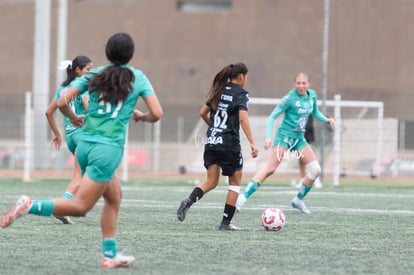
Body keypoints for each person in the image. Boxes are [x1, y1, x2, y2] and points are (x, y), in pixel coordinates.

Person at [0, 32, 163, 268]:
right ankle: (29, 206)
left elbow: (62, 100)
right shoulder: (137, 77)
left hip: (85, 144)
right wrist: (141, 116)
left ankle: (110, 255)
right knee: (80, 207)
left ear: (107, 52)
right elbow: (157, 114)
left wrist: (74, 118)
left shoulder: (95, 73)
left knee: (114, 197)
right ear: (131, 53)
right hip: (106, 149)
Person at [236, 73, 335, 214]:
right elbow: (272, 116)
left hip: (299, 139)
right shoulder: (289, 99)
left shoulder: (312, 95)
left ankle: (298, 200)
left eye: (304, 83)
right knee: (270, 169)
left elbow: (315, 112)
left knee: (315, 169)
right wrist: (268, 137)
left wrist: (327, 119)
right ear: (294, 84)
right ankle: (242, 198)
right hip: (284, 138)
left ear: (308, 84)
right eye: (298, 83)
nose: (301, 86)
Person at [177, 63, 258, 230]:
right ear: (241, 76)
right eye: (246, 77)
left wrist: (213, 128)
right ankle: (225, 222)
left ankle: (189, 201)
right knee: (234, 184)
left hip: (212, 141)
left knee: (211, 181)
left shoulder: (219, 90)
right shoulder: (242, 94)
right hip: (229, 144)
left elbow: (202, 112)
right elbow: (243, 118)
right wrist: (252, 142)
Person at [45, 56, 92, 224]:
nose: (90, 73)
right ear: (78, 71)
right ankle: (62, 207)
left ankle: (70, 206)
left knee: (84, 175)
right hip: (82, 135)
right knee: (80, 177)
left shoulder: (62, 89)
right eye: (88, 69)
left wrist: (57, 134)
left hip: (70, 138)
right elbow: (89, 108)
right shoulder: (83, 88)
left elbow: (49, 112)